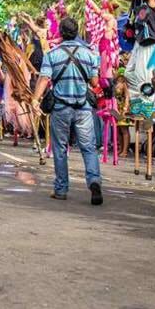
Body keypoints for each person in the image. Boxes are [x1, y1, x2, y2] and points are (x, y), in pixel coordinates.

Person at [32, 17, 103, 205]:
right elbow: (95, 82)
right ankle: (94, 181)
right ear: (77, 31)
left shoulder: (52, 54)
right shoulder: (89, 54)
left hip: (61, 108)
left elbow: (44, 79)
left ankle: (61, 188)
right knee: (88, 147)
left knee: (60, 148)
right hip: (83, 108)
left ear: (61, 33)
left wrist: (35, 100)